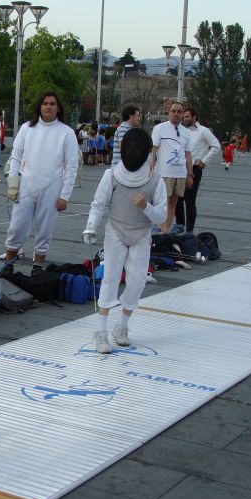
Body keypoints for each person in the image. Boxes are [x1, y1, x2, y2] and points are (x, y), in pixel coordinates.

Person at [83, 128, 167, 353]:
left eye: (137, 148)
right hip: (116, 232)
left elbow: (162, 216)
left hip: (142, 234)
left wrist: (145, 207)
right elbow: (98, 204)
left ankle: (121, 327)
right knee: (110, 278)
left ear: (146, 152)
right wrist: (91, 227)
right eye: (129, 147)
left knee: (137, 281)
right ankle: (101, 332)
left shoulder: (155, 179)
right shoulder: (111, 175)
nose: (133, 152)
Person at [3, 92, 78, 274]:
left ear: (58, 108)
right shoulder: (27, 128)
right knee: (17, 227)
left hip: (51, 187)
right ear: (40, 106)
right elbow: (15, 156)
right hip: (26, 184)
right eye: (45, 103)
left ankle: (37, 267)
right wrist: (13, 184)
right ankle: (8, 265)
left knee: (45, 229)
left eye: (52, 103)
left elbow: (71, 167)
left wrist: (64, 195)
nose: (48, 106)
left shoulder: (67, 133)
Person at [174, 107, 220, 234]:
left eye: (187, 117)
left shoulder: (203, 131)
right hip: (181, 168)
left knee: (190, 201)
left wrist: (204, 161)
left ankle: (189, 230)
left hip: (194, 169)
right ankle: (180, 225)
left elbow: (216, 146)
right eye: (184, 117)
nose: (184, 119)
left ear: (194, 117)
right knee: (178, 199)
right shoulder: (183, 131)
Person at [150, 101, 192, 234]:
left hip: (180, 173)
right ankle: (158, 226)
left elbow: (188, 154)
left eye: (179, 112)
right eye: (173, 111)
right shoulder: (160, 128)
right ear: (169, 113)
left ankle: (165, 229)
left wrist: (190, 174)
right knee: (163, 201)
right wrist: (151, 168)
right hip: (164, 172)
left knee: (174, 201)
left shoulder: (186, 132)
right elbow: (154, 149)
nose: (176, 114)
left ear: (182, 114)